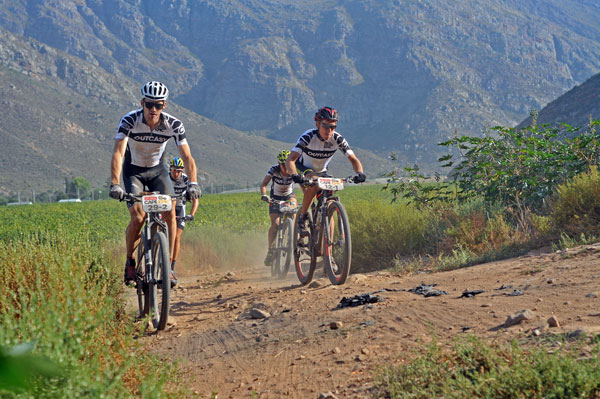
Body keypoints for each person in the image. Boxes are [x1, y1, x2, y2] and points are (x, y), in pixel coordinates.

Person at [109, 81, 201, 286]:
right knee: (138, 216)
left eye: (158, 105)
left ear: (164, 106)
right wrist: (115, 184)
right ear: (142, 102)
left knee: (171, 211)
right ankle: (130, 262)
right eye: (149, 104)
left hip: (158, 171)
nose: (153, 110)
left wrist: (193, 183)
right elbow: (118, 152)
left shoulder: (173, 124)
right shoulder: (129, 120)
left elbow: (187, 157)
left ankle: (168, 267)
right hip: (134, 171)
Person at [285, 106, 366, 236]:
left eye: (333, 127)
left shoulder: (337, 139)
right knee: (314, 183)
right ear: (317, 124)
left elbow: (353, 159)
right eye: (326, 126)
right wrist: (294, 175)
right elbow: (290, 160)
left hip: (322, 171)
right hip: (304, 168)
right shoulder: (308, 137)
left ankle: (328, 248)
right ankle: (303, 215)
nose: (329, 130)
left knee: (329, 202)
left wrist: (360, 173)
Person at [259, 150, 297, 266]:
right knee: (275, 224)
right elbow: (264, 185)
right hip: (275, 197)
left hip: (289, 196)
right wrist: (264, 195)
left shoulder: (293, 170)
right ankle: (271, 250)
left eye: (287, 165)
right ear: (279, 164)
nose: (285, 168)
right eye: (282, 165)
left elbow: (303, 184)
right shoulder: (274, 170)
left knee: (294, 216)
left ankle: (293, 240)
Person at [169, 157, 199, 286]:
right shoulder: (164, 177)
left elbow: (195, 199)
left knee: (176, 237)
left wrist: (191, 214)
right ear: (170, 169)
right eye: (174, 170)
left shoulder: (186, 179)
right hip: (167, 207)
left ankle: (171, 266)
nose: (176, 173)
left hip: (180, 208)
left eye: (179, 171)